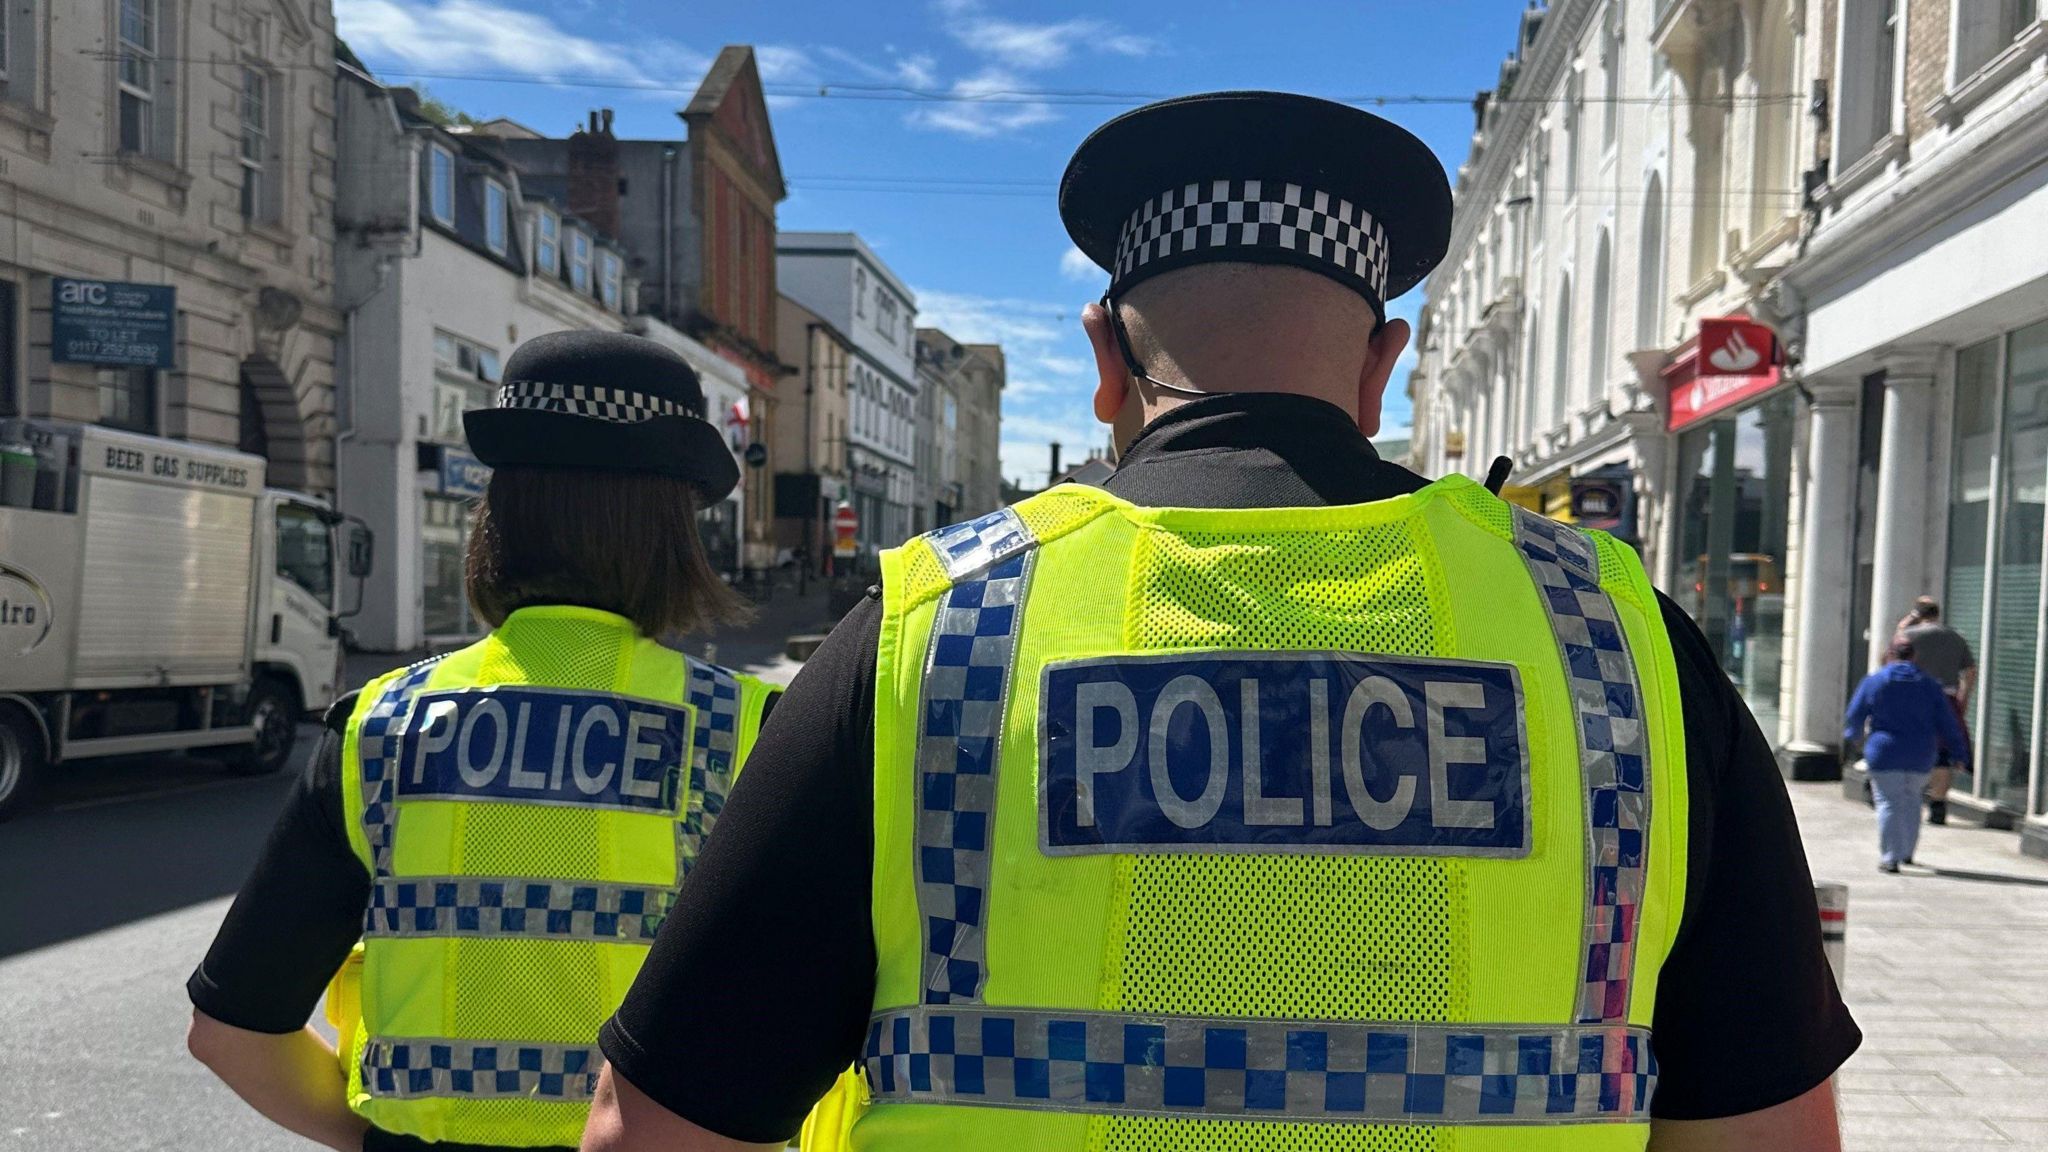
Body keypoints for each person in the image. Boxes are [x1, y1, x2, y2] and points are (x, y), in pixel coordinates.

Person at [581, 92, 1858, 1152]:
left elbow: (652, 1131)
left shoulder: (940, 630)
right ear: (1381, 366)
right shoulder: (1612, 642)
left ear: (1100, 354)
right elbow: (1772, 1131)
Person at [186, 331, 781, 1152]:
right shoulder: (746, 734)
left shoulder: (378, 729)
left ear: (496, 511)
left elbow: (230, 1034)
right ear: (671, 534)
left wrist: (380, 1144)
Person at [1845, 638, 1971, 873]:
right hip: (1921, 754)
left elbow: (1855, 714)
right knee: (1912, 801)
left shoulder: (1876, 681)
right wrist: (1959, 753)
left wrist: (1854, 738)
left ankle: (1890, 856)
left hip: (1884, 752)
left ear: (1890, 655)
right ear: (1913, 657)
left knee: (1888, 802)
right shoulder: (1930, 685)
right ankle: (1906, 853)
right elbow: (1948, 723)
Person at [1893, 596, 1976, 824]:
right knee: (1943, 754)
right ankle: (1938, 804)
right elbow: (1970, 671)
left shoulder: (1908, 636)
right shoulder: (1955, 637)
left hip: (1913, 699)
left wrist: (1905, 623)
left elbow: (1891, 662)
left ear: (1917, 615)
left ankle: (1906, 796)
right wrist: (1963, 698)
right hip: (1946, 698)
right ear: (1938, 614)